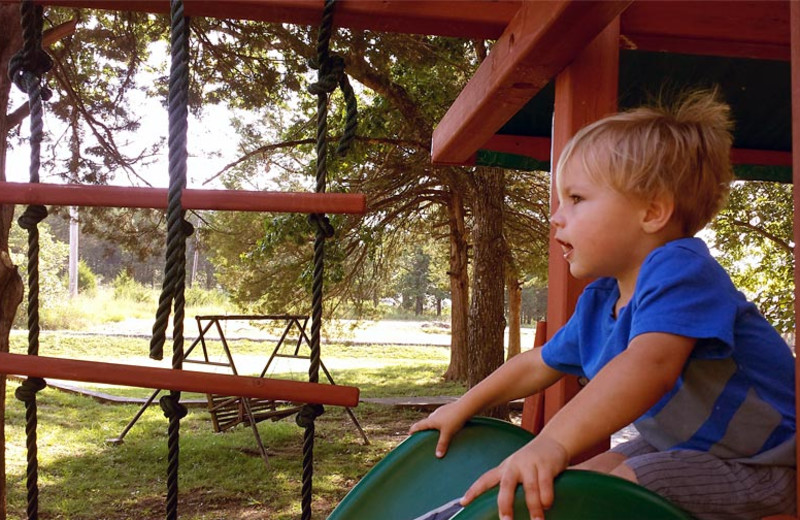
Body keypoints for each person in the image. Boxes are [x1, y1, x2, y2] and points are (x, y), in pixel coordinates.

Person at [409, 91, 796, 520]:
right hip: (694, 449)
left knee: (596, 499)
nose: (556, 216)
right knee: (568, 486)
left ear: (652, 211)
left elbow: (649, 365)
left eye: (576, 199)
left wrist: (551, 441)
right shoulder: (602, 301)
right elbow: (539, 363)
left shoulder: (682, 270)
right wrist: (463, 406)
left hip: (769, 463)